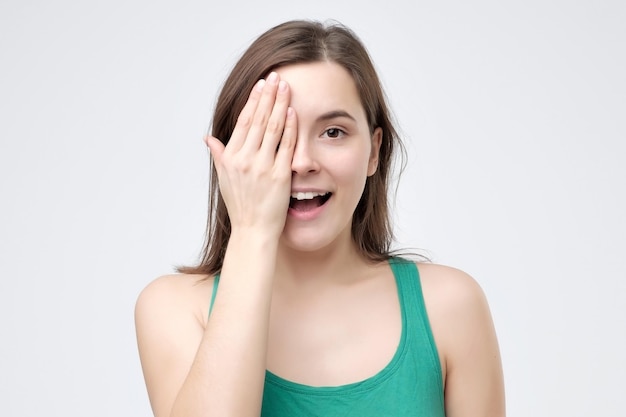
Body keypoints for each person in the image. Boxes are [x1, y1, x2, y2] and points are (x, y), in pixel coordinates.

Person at [135, 19, 505, 417]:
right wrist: (252, 231)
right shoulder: (173, 309)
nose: (301, 162)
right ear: (231, 157)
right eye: (273, 134)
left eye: (332, 132)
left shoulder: (450, 307)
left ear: (374, 151)